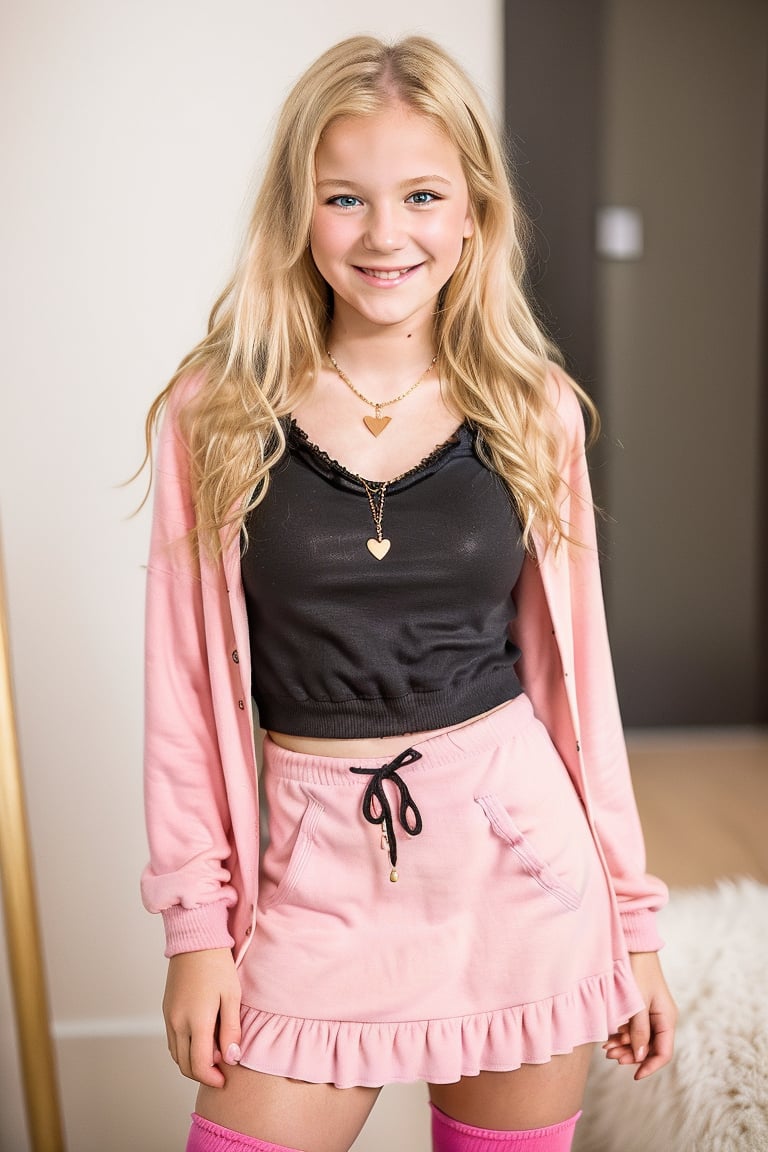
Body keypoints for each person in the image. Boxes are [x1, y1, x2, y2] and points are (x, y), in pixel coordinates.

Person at [140, 34, 677, 1152]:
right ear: (300, 213)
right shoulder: (215, 412)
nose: (387, 234)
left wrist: (633, 925)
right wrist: (196, 933)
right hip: (311, 882)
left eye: (423, 194)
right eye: (346, 197)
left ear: (473, 213)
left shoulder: (536, 411)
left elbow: (580, 687)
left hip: (517, 877)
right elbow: (184, 697)